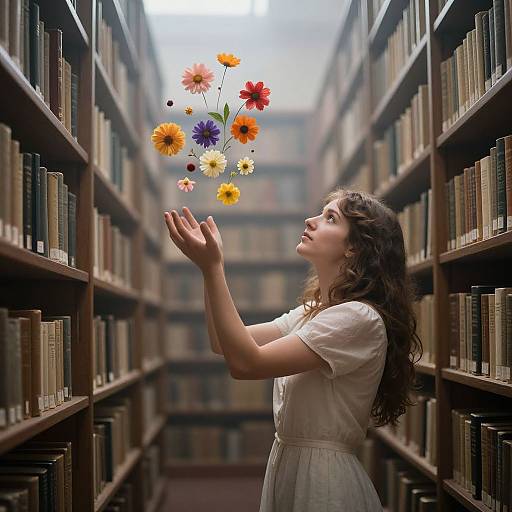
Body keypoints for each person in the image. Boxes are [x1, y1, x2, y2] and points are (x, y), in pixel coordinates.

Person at [164, 187, 422, 512]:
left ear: (354, 247)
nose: (310, 220)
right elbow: (223, 343)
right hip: (290, 466)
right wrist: (207, 269)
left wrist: (214, 267)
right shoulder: (313, 313)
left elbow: (246, 364)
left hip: (324, 481)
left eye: (330, 218)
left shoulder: (357, 317)